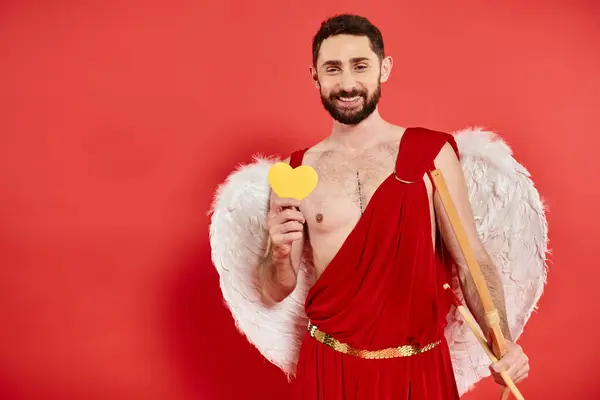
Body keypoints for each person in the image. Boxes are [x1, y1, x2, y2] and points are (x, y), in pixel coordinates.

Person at [257, 14, 530, 399]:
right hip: (330, 368)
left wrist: (502, 342)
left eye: (360, 66)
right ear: (315, 76)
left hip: (416, 367)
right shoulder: (295, 172)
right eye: (332, 69)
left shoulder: (431, 154)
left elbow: (472, 262)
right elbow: (273, 291)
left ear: (384, 69)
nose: (347, 83)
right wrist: (279, 253)